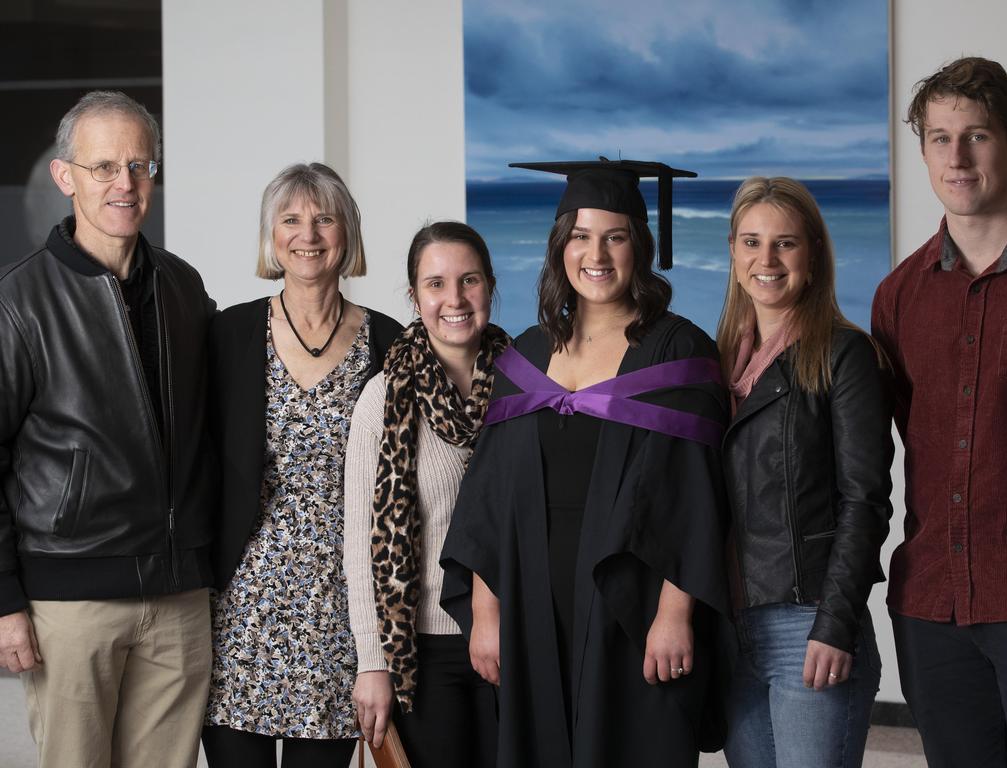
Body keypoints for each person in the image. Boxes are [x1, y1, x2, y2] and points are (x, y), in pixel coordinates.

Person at [440, 159, 731, 768]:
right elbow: (488, 497)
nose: (595, 254)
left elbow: (694, 499)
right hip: (533, 605)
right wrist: (486, 616)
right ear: (560, 247)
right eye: (580, 236)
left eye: (614, 236)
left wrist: (675, 615)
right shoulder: (526, 353)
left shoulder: (677, 350)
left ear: (639, 248)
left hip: (629, 608)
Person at [0, 91, 216, 768]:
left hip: (179, 596)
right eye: (103, 168)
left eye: (139, 166)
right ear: (66, 177)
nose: (124, 184)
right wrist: (5, 601)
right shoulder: (17, 301)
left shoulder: (183, 287)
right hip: (72, 600)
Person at [201, 162, 402, 768]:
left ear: (348, 234)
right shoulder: (228, 334)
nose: (307, 234)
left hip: (345, 608)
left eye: (324, 218)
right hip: (240, 606)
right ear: (272, 235)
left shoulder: (391, 343)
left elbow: (403, 489)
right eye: (290, 219)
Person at [871, 56, 1007, 766]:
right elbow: (887, 448)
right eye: (938, 138)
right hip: (932, 605)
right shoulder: (898, 297)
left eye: (978, 136)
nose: (956, 158)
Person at [717, 177, 892, 767]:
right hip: (733, 624)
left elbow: (864, 500)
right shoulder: (716, 361)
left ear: (813, 255)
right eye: (751, 242)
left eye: (785, 243)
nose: (766, 260)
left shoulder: (845, 354)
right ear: (734, 253)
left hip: (807, 621)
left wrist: (835, 622)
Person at [343, 221, 506, 767]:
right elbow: (363, 545)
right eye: (435, 284)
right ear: (414, 296)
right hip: (423, 651)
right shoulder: (383, 400)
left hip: (518, 635)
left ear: (490, 286)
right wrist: (372, 663)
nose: (454, 299)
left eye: (469, 280)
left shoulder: (530, 386)